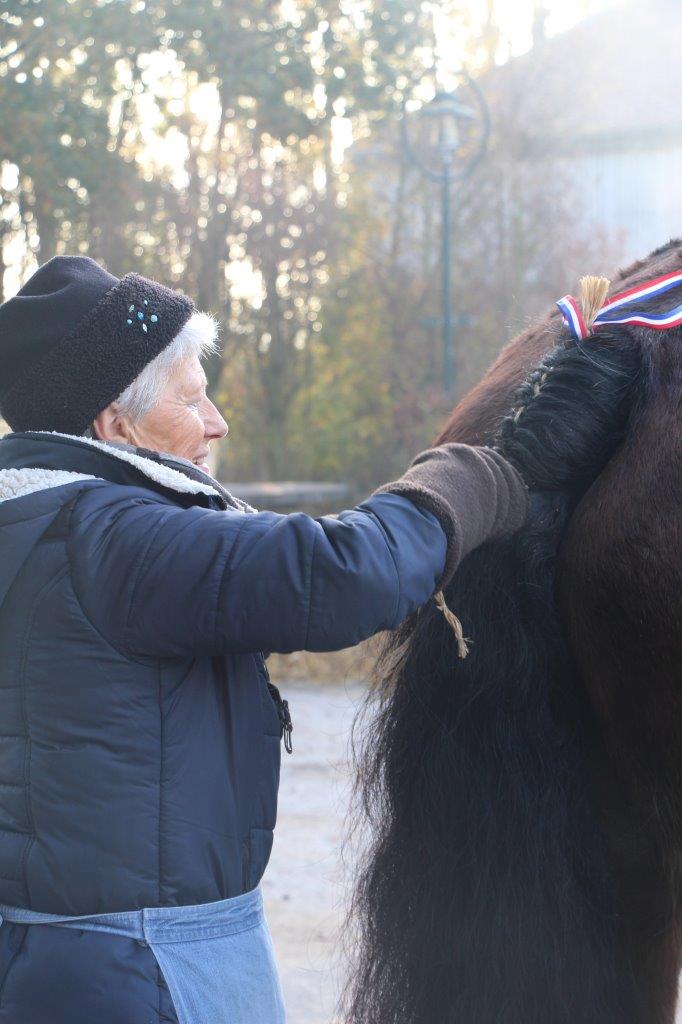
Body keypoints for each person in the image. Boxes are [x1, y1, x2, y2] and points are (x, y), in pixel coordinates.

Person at [0, 255, 528, 1024]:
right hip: (141, 969)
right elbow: (344, 575)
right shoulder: (112, 538)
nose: (217, 421)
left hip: (51, 951)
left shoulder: (34, 527)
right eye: (191, 399)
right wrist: (469, 479)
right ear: (114, 426)